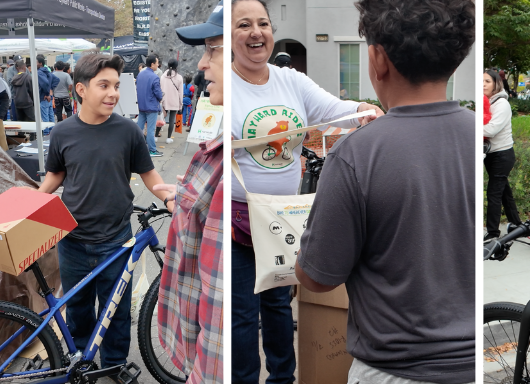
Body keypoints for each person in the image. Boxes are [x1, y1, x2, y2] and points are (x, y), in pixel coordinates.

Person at [296, 1, 475, 383]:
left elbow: (317, 277)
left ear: (377, 59)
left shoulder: (357, 153)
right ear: (455, 60)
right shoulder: (482, 139)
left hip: (394, 369)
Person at [229, 0, 384, 382]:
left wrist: (366, 109)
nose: (255, 32)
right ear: (228, 37)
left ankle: (283, 379)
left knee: (280, 305)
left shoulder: (290, 80)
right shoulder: (223, 86)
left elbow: (335, 111)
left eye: (263, 23)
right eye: (244, 24)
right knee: (243, 314)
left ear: (272, 31)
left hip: (282, 217)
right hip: (235, 218)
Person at [37, 53, 174, 377]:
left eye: (115, 85)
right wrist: (32, 200)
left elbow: (150, 176)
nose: (113, 92)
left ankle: (113, 364)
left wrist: (168, 196)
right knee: (79, 310)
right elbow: (55, 175)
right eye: (104, 85)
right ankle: (79, 363)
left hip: (116, 240)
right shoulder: (62, 132)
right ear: (81, 89)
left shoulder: (128, 131)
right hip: (71, 239)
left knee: (117, 310)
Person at [154, 2, 224, 382]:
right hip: (201, 344)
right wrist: (179, 196)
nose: (201, 64)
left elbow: (218, 286)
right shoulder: (220, 148)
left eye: (213, 50)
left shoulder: (236, 157)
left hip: (211, 355)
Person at [484, 69, 522, 240]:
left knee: (493, 194)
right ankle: (517, 225)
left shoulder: (501, 104)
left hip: (502, 155)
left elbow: (492, 129)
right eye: (481, 81)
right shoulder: (488, 102)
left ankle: (492, 233)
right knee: (504, 192)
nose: (483, 85)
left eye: (487, 81)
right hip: (491, 154)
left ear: (495, 84)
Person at [137, 54, 164, 157]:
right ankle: (152, 150)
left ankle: (137, 148)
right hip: (151, 106)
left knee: (139, 128)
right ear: (152, 64)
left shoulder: (140, 75)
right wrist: (161, 97)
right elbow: (158, 93)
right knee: (150, 130)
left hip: (141, 105)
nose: (158, 65)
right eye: (157, 63)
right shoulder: (154, 77)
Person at [159, 58, 182, 144]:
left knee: (161, 118)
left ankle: (155, 136)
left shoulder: (162, 76)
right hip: (174, 100)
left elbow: (160, 89)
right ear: (177, 66)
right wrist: (180, 104)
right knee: (172, 120)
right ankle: (168, 138)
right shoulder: (179, 77)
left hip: (164, 100)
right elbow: (180, 92)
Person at [36, 54, 59, 123]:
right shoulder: (47, 71)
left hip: (44, 97)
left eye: (35, 62)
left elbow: (45, 83)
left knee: (45, 116)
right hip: (49, 96)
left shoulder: (39, 72)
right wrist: (50, 89)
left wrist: (47, 93)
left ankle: (46, 132)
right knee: (51, 115)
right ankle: (52, 131)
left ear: (40, 63)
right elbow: (57, 80)